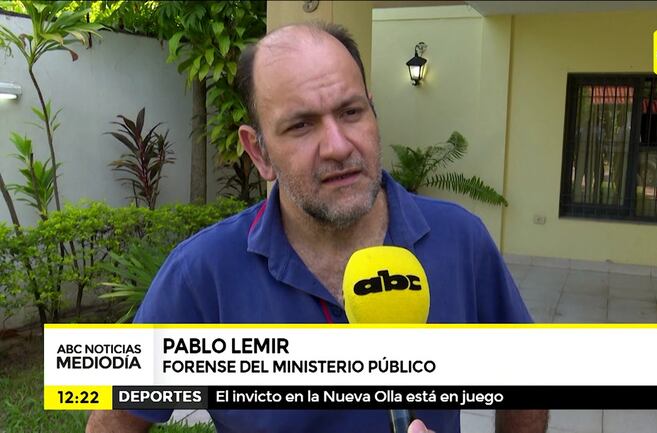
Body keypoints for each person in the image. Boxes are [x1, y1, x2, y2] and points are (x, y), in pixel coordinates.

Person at [86, 22, 548, 433]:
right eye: (302, 125)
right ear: (259, 152)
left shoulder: (461, 241)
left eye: (351, 112)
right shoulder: (202, 273)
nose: (338, 146)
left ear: (373, 113)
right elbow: (115, 420)